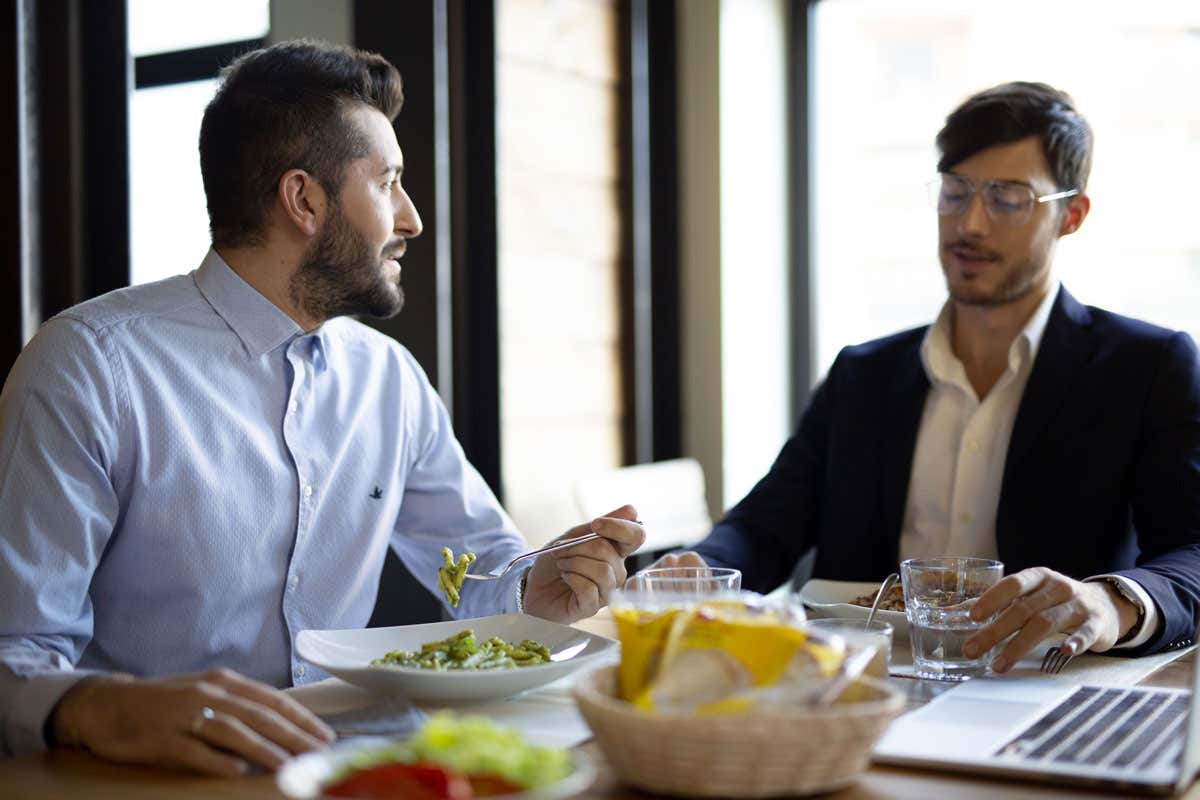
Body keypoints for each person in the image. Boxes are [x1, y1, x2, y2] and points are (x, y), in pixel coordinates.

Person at [0, 40, 643, 774]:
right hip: (149, 781)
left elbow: (475, 566)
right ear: (304, 199)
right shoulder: (89, 365)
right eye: (390, 182)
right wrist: (99, 705)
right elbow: (14, 654)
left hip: (347, 770)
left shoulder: (388, 379)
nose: (411, 220)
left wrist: (537, 584)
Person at [657, 82, 1200, 673]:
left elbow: (1192, 552)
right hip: (858, 687)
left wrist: (1107, 600)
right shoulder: (862, 375)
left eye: (1008, 199)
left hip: (1044, 685)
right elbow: (765, 528)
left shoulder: (1147, 366)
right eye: (955, 191)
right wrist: (700, 569)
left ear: (1071, 214)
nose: (970, 223)